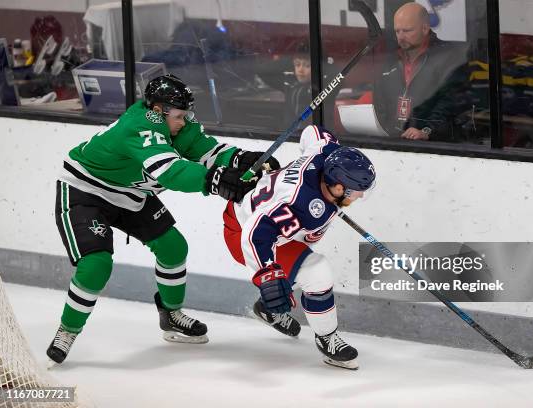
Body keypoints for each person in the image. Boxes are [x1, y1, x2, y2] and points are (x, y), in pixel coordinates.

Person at [47, 74, 280, 364]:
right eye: (180, 115)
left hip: (130, 193)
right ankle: (67, 330)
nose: (184, 121)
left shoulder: (176, 124)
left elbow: (205, 151)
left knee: (173, 247)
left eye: (186, 115)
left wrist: (241, 159)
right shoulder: (141, 125)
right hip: (86, 191)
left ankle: (170, 315)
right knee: (96, 265)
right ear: (158, 110)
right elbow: (171, 171)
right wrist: (216, 179)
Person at [222, 125, 376, 370]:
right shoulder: (299, 204)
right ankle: (327, 339)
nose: (358, 197)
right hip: (243, 231)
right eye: (355, 192)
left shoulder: (326, 153)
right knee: (317, 271)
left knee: (298, 265)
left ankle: (267, 309)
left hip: (269, 221)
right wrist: (268, 275)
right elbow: (256, 233)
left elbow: (313, 132)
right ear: (337, 186)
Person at [373, 2, 468, 141]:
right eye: (397, 31)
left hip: (435, 146)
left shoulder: (449, 57)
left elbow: (450, 103)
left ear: (425, 28)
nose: (401, 36)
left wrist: (426, 130)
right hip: (395, 142)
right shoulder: (390, 60)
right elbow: (380, 102)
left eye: (407, 30)